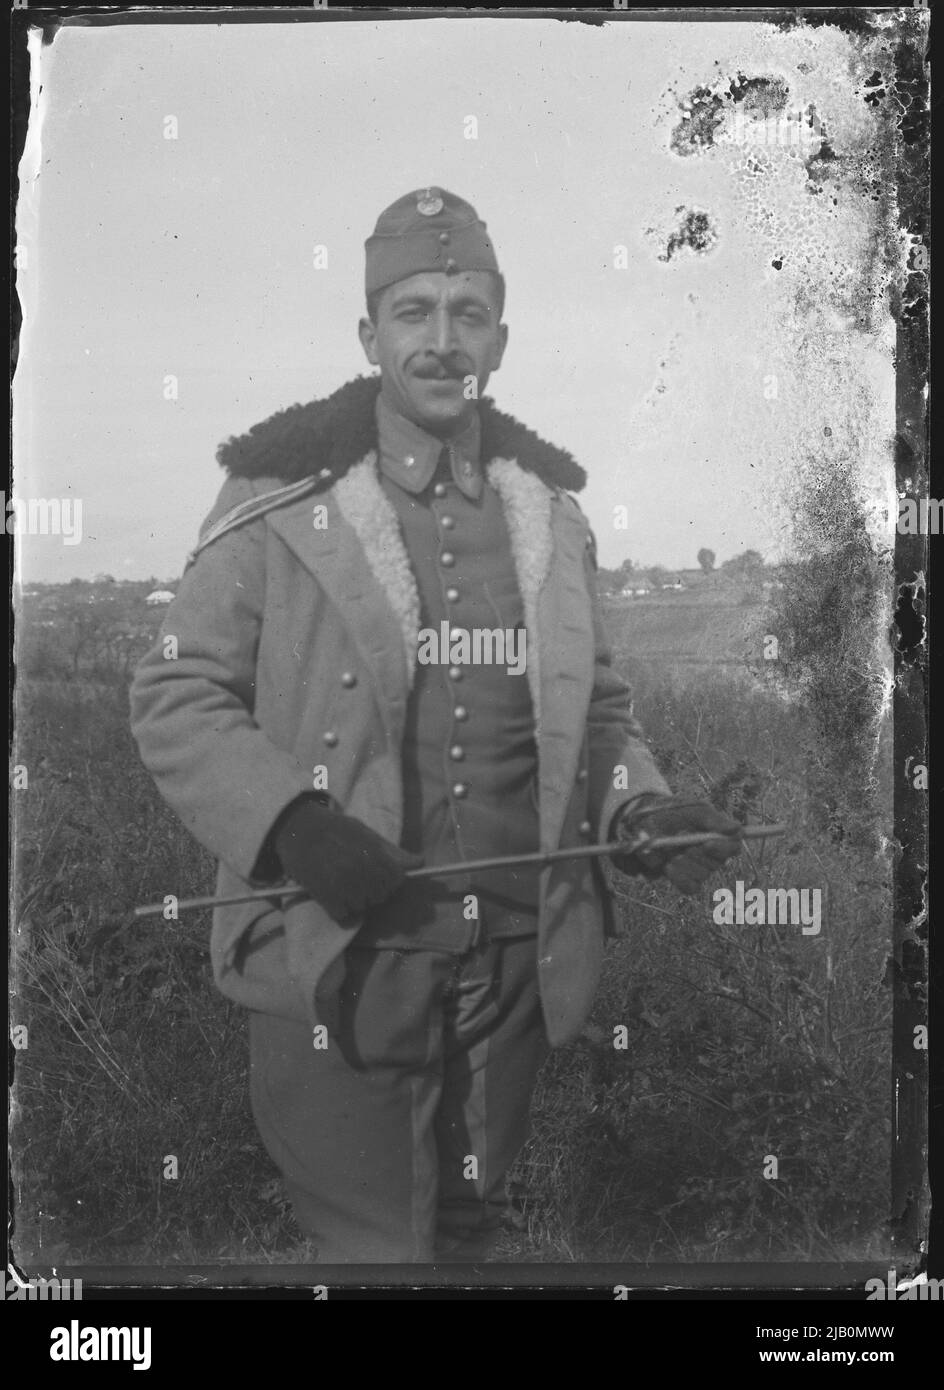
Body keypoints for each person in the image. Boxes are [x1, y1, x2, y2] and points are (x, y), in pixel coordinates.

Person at [129, 186, 743, 1263]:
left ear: (498, 340)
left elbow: (595, 715)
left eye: (467, 313)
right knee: (376, 1250)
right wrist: (291, 824)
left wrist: (641, 807)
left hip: (513, 965)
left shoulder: (547, 515)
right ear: (370, 335)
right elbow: (174, 691)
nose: (440, 340)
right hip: (343, 962)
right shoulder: (276, 499)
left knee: (466, 1234)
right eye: (414, 312)